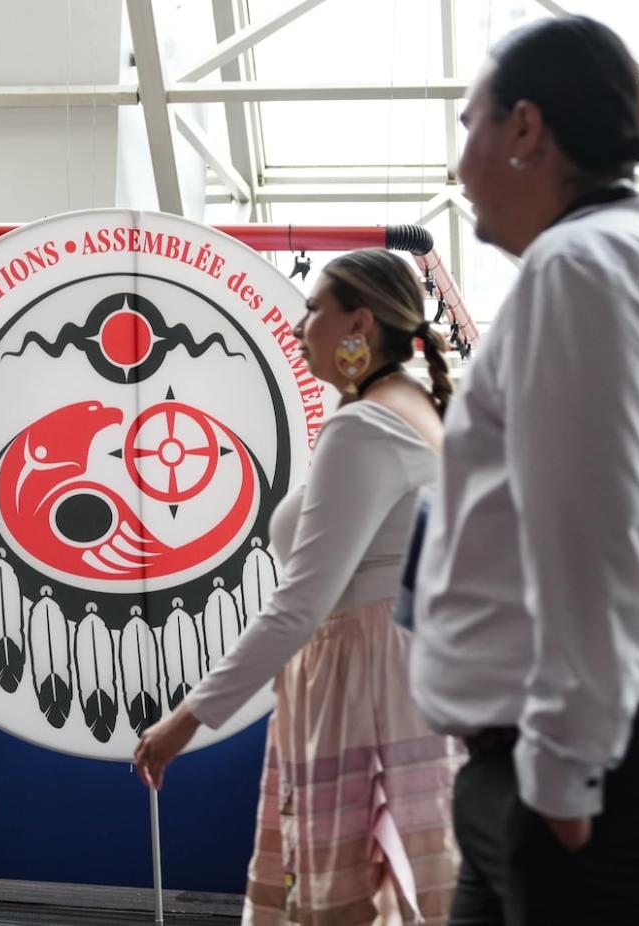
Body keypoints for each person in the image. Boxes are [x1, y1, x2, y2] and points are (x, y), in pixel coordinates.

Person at [409, 16, 639, 926]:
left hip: (596, 777)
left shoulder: (585, 265)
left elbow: (596, 533)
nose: (459, 164)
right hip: (594, 760)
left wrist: (561, 779)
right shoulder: (629, 257)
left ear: (526, 130)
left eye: (469, 124)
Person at [135, 249, 464, 926]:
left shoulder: (364, 425)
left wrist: (184, 721)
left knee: (340, 906)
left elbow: (299, 606)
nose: (296, 325)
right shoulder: (420, 413)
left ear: (360, 324)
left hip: (359, 684)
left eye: (314, 308)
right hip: (411, 680)